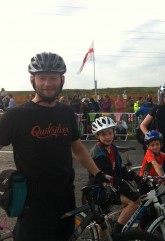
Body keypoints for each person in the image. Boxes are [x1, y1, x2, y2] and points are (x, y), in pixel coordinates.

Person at [0, 52, 110, 241]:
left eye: (53, 77)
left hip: (65, 197)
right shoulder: (16, 116)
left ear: (62, 80)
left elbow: (77, 148)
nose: (48, 83)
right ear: (32, 80)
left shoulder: (66, 112)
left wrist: (98, 173)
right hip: (32, 202)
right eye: (42, 78)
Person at [89, 116, 139, 236]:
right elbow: (112, 177)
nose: (108, 137)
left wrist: (134, 177)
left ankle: (114, 229)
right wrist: (128, 190)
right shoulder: (98, 155)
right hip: (99, 190)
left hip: (108, 187)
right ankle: (116, 232)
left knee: (104, 219)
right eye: (103, 134)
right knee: (132, 203)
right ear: (97, 136)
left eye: (110, 133)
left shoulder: (113, 148)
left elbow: (118, 169)